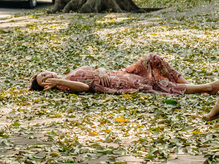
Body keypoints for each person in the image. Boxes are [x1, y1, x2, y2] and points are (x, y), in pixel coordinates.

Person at [30, 53, 219, 95]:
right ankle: (207, 87)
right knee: (158, 85)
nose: (47, 76)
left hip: (120, 72)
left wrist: (102, 70)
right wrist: (58, 82)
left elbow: (95, 69)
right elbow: (85, 87)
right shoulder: (64, 85)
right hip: (119, 84)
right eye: (44, 79)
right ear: (46, 86)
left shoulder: (70, 73)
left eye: (44, 73)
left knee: (152, 59)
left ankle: (193, 85)